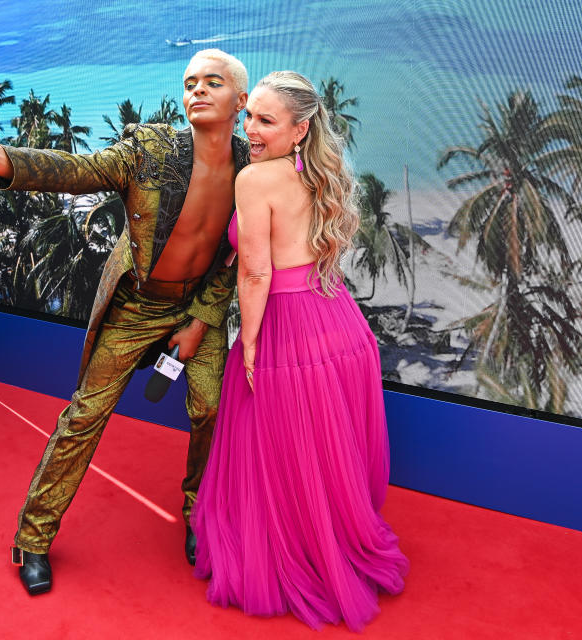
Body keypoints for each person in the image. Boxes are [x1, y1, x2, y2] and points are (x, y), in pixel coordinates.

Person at [0, 49, 249, 594]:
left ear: (240, 101)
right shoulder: (150, 148)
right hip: (135, 306)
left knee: (211, 408)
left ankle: (200, 512)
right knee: (84, 417)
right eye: (190, 82)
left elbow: (232, 256)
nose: (198, 90)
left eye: (213, 82)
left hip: (196, 306)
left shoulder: (252, 169)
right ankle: (33, 536)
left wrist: (201, 319)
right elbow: (77, 172)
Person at [191, 71, 409, 631]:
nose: (252, 131)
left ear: (299, 127)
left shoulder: (255, 179)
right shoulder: (316, 172)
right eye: (249, 117)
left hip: (289, 328)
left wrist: (253, 344)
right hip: (339, 324)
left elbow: (256, 272)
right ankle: (329, 544)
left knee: (278, 448)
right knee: (319, 450)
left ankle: (293, 559)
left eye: (265, 120)